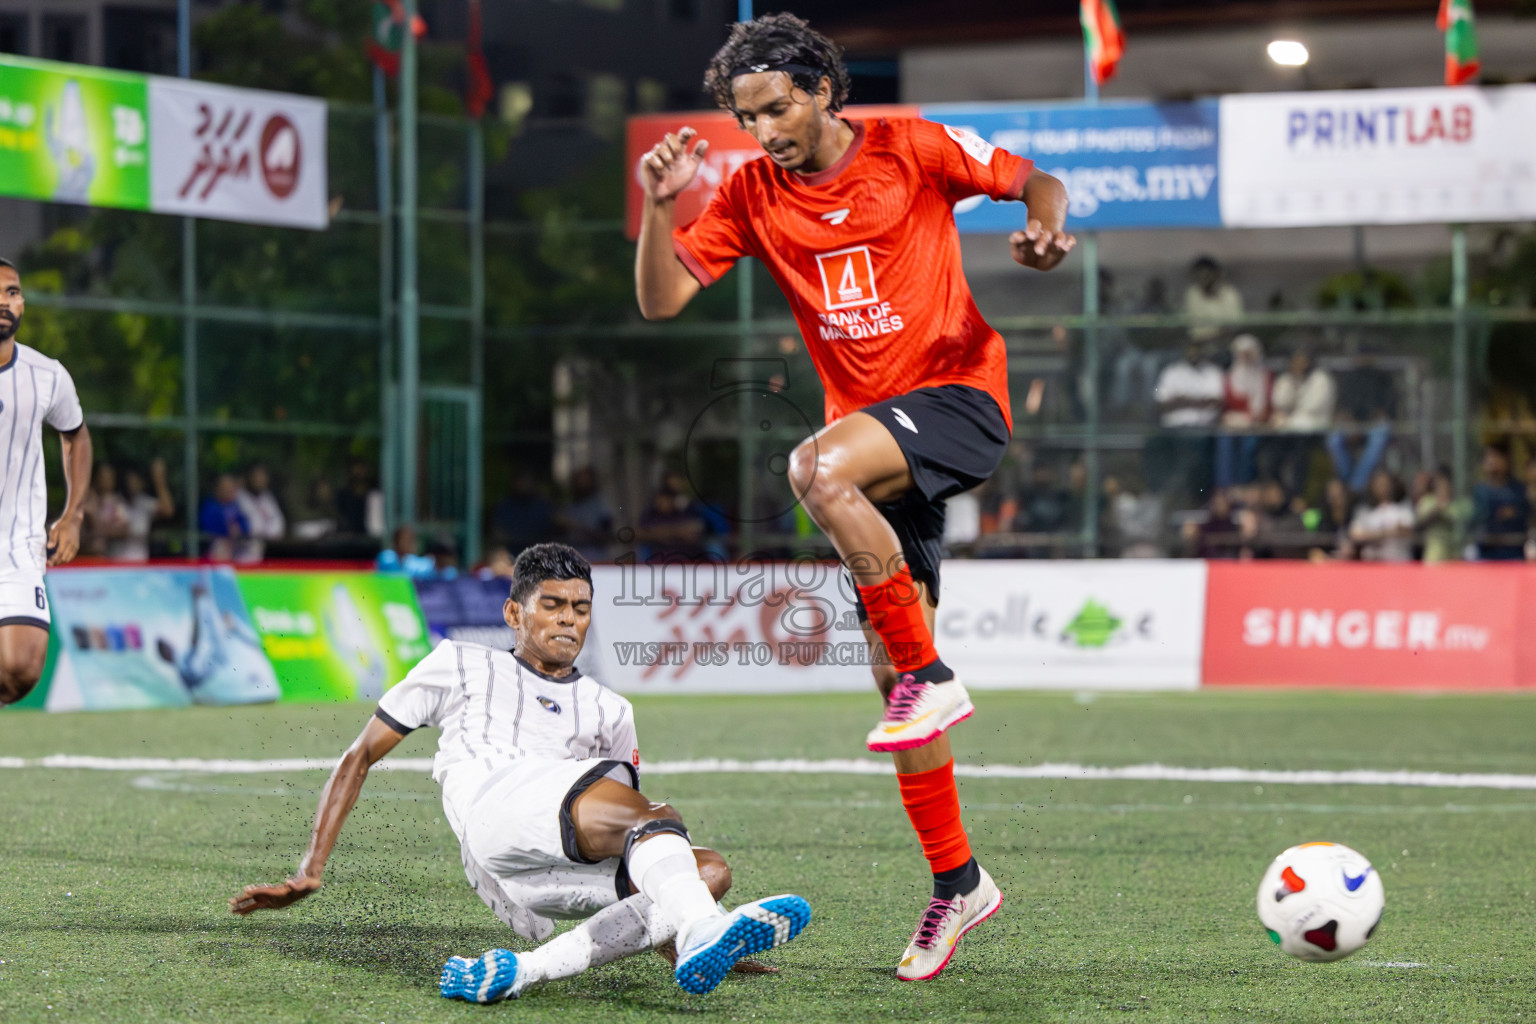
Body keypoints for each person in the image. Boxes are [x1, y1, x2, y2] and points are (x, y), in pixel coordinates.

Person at [634, 13, 1072, 978]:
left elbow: (1030, 176)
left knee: (813, 470)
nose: (764, 131)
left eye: (777, 108)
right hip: (879, 452)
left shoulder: (910, 147)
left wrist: (1045, 224)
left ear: (824, 89)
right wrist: (660, 207)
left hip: (957, 399)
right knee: (885, 673)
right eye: (747, 118)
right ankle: (960, 884)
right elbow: (662, 301)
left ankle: (932, 675)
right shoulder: (751, 193)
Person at [228, 544, 811, 999]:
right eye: (552, 605)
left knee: (705, 869)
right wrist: (309, 869)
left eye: (580, 609)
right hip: (493, 810)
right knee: (655, 818)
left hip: (532, 882)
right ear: (514, 612)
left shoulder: (612, 709)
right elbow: (359, 756)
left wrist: (676, 929)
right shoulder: (458, 662)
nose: (569, 620)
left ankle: (523, 972)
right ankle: (701, 929)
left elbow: (639, 846)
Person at [0, 257, 91, 706]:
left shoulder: (46, 374)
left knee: (20, 669)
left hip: (18, 546)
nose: (4, 301)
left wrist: (72, 515)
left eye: (12, 292)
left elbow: (75, 434)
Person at [1214, 334, 1271, 491]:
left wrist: (1247, 419)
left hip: (1257, 426)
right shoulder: (1229, 377)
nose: (1245, 358)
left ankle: (1244, 485)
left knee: (1248, 445)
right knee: (1224, 441)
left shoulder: (1264, 376)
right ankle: (1225, 488)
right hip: (1232, 426)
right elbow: (1224, 408)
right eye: (1242, 354)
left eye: (1249, 354)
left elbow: (1264, 410)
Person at [1469, 444, 1529, 561]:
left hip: (1513, 550)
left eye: (1496, 457)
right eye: (1488, 457)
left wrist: (1513, 513)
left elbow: (1525, 514)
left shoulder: (1517, 489)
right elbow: (1476, 518)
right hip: (1487, 550)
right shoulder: (1480, 491)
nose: (1492, 461)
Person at [113, 459, 175, 562]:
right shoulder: (114, 501)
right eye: (130, 479)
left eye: (136, 479)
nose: (133, 483)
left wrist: (159, 480)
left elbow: (168, 510)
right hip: (116, 565)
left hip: (140, 565)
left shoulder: (144, 503)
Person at [1348, 469, 1414, 562]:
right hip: (1372, 564)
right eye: (1379, 484)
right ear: (1372, 486)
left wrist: (1372, 534)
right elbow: (1355, 535)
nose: (1383, 487)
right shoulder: (1364, 511)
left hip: (1398, 563)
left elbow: (1405, 530)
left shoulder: (1402, 508)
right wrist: (1386, 533)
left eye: (1386, 484)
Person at [1182, 256, 1244, 343]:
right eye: (1199, 276)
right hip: (1200, 344)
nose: (1203, 279)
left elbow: (1234, 325)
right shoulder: (1193, 294)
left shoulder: (1229, 294)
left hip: (1227, 342)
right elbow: (1195, 329)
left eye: (1206, 275)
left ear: (1216, 274)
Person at [1414, 466, 1464, 564]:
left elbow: (1457, 517)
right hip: (1434, 554)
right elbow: (1420, 521)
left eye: (1445, 483)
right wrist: (1436, 509)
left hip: (1454, 554)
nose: (1442, 486)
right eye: (1439, 483)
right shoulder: (1427, 501)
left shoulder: (1456, 504)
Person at [198, 473, 249, 562]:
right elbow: (209, 527)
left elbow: (245, 525)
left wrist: (239, 529)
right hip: (213, 550)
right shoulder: (210, 506)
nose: (228, 489)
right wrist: (228, 529)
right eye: (225, 486)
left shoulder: (236, 506)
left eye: (231, 486)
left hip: (236, 549)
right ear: (217, 488)